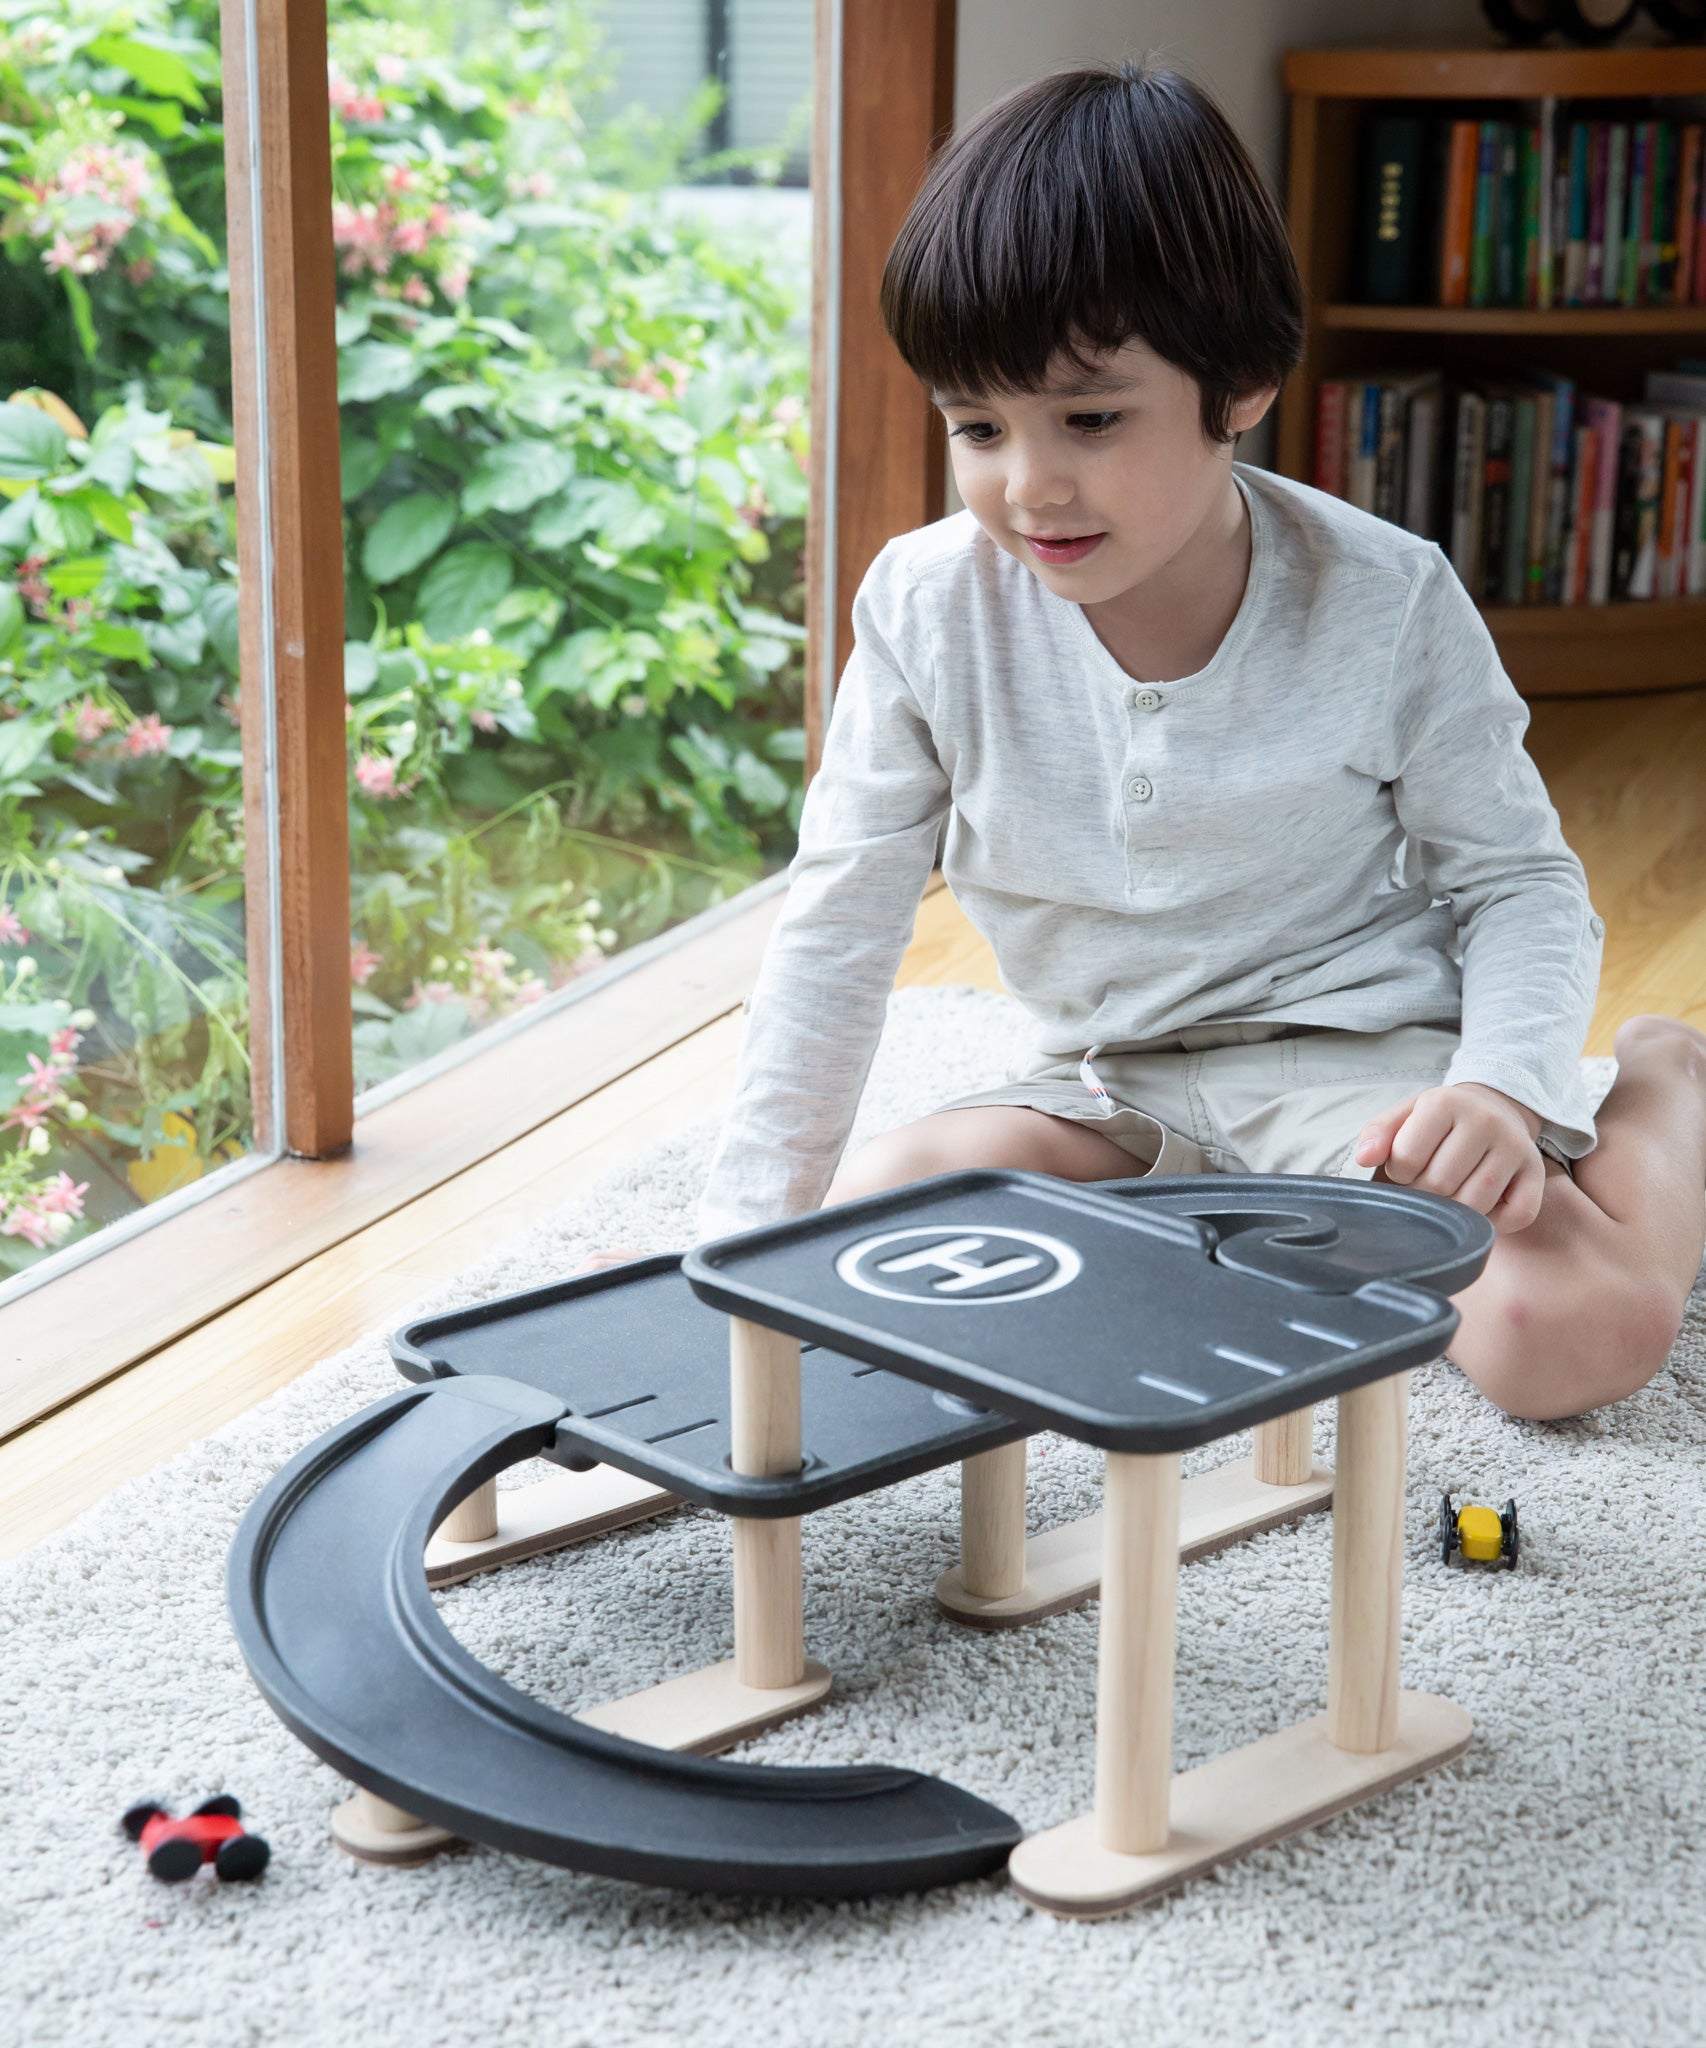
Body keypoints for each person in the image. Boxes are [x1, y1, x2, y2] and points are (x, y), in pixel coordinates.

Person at [691, 57, 1706, 1421]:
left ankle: (1658, 1079)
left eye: (1089, 419)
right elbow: (838, 921)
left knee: (1566, 1338)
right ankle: (1227, 1227)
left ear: (1235, 386)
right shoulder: (924, 605)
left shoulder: (1384, 593)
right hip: (1102, 1086)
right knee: (867, 1230)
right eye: (975, 425)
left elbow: (1516, 881)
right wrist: (740, 1230)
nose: (1026, 484)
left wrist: (1504, 1091)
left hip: (1358, 1072)